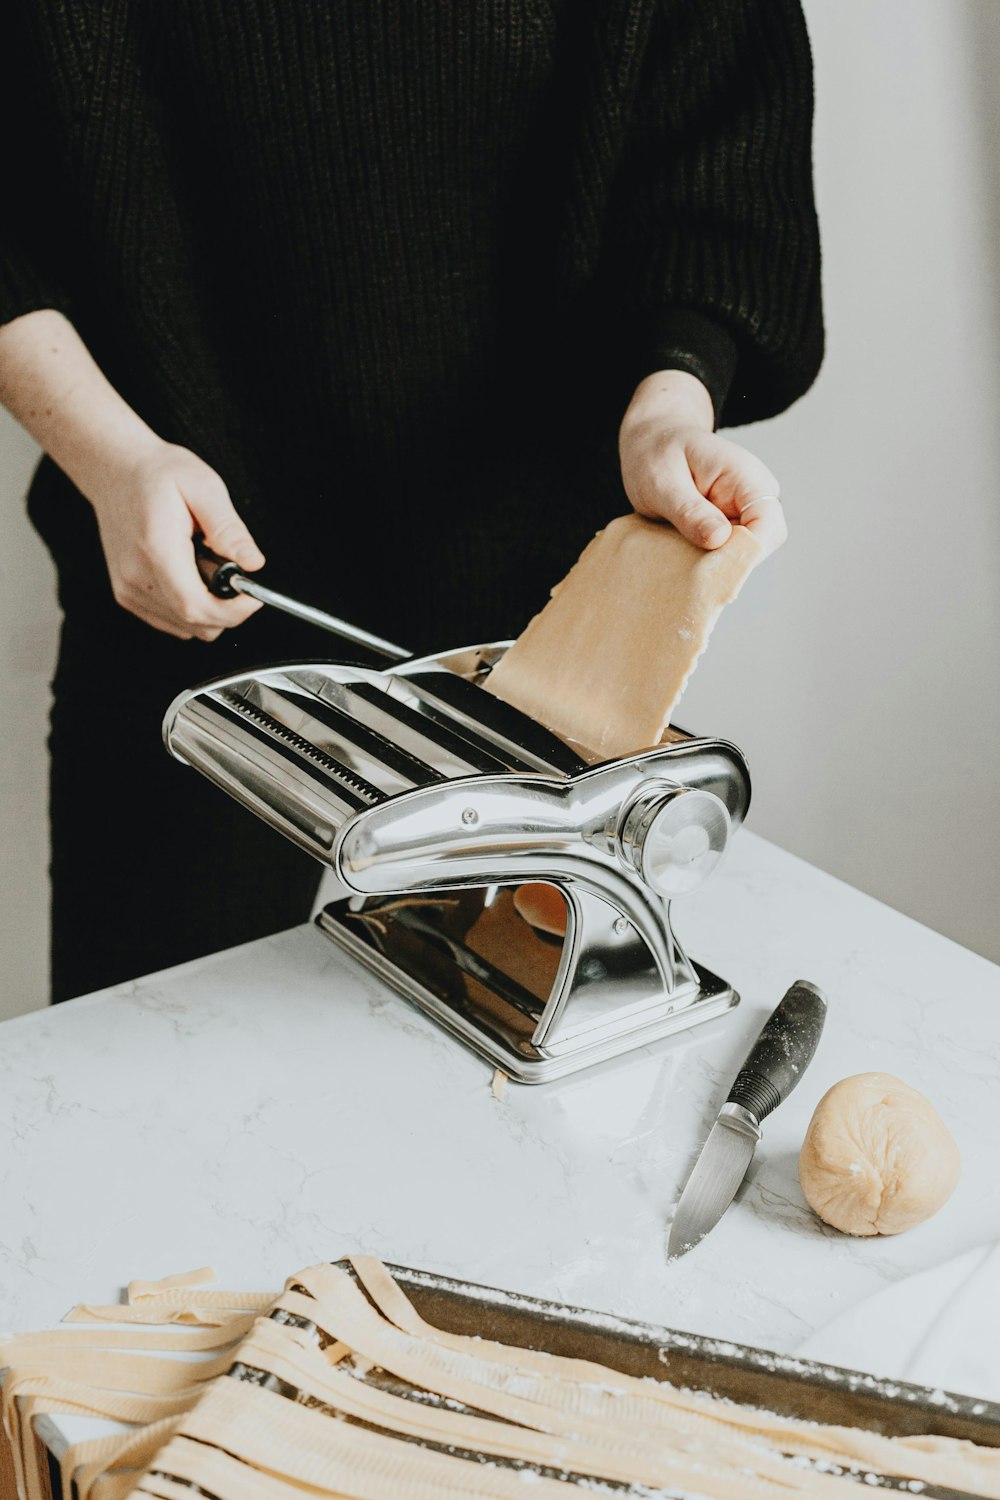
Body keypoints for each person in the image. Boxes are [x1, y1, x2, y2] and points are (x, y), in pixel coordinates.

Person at [0, 1, 822, 1003]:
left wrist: (669, 397)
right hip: (185, 622)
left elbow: (719, 154)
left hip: (545, 665)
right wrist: (107, 453)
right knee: (141, 1096)